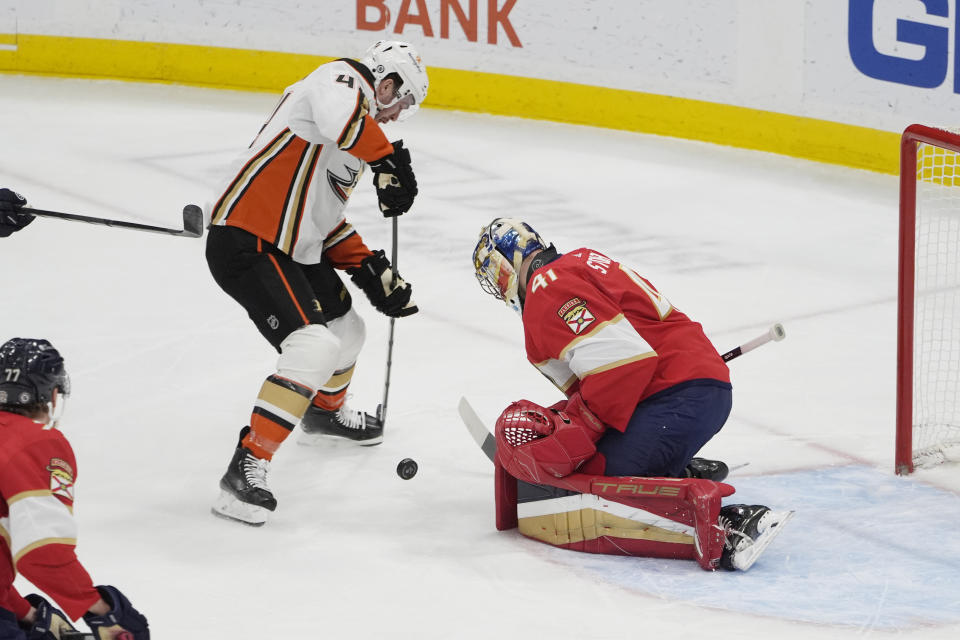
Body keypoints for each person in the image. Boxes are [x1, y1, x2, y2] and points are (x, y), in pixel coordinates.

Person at [471, 218, 792, 570]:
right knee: (592, 453)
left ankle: (732, 526)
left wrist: (578, 427)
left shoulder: (546, 287)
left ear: (506, 264)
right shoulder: (579, 260)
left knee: (591, 477)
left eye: (493, 273)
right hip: (694, 388)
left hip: (675, 397)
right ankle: (673, 468)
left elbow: (622, 366)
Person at [206, 40, 427, 526]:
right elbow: (340, 118)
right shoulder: (340, 79)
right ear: (385, 83)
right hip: (246, 239)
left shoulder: (349, 152)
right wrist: (387, 161)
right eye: (401, 103)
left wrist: (369, 267)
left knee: (349, 332)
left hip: (287, 248)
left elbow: (322, 223)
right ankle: (246, 467)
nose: (395, 117)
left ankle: (324, 412)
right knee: (313, 348)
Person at [0, 338, 150, 638]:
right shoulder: (37, 441)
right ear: (53, 394)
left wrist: (25, 615)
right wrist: (102, 612)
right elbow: (42, 552)